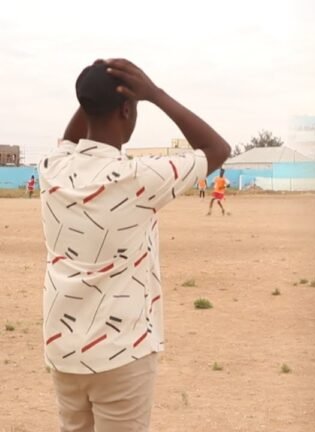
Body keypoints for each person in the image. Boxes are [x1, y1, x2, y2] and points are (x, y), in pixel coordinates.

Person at [39, 59, 230, 431]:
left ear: (87, 105)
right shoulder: (139, 178)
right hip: (120, 351)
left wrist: (94, 91)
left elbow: (70, 140)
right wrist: (155, 94)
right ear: (127, 109)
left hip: (62, 348)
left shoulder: (52, 168)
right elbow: (216, 149)